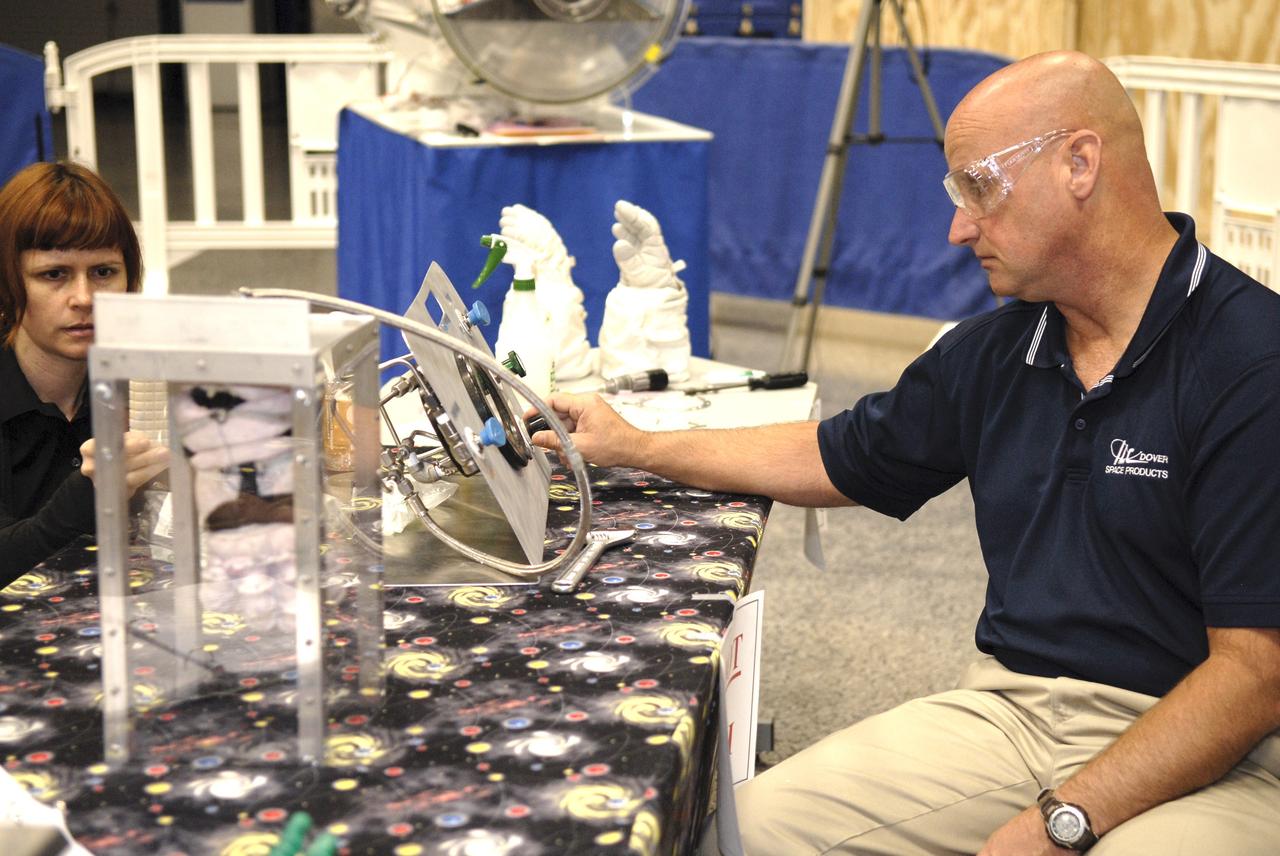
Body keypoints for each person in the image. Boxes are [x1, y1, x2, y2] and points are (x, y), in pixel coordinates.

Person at [529, 51, 1280, 854]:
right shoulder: (1000, 348)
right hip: (1015, 712)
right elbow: (838, 454)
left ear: (1080, 163)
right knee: (747, 836)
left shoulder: (1252, 361)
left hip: (1223, 749)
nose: (958, 229)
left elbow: (1254, 676)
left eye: (979, 188)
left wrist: (1061, 820)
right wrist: (637, 446)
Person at [0, 161, 168, 586]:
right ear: (8, 284)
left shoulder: (148, 377)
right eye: (53, 274)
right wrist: (89, 494)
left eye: (104, 272)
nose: (84, 298)